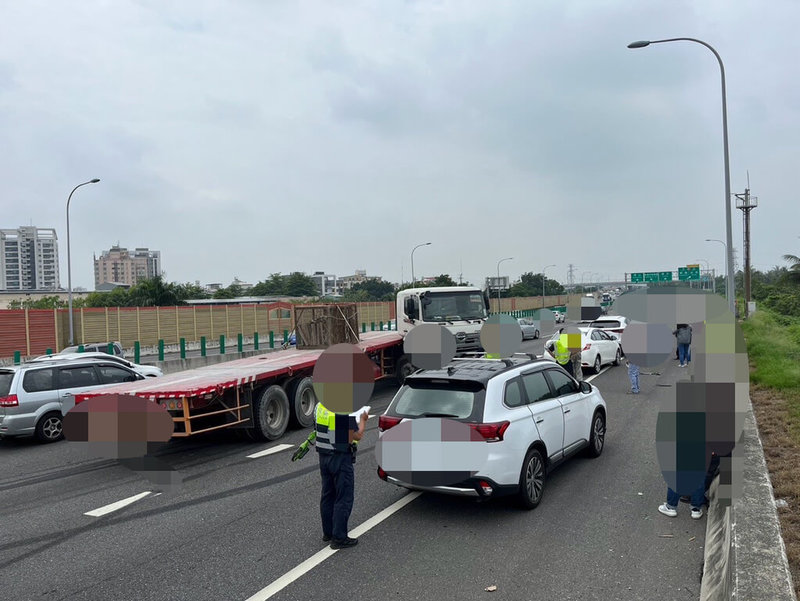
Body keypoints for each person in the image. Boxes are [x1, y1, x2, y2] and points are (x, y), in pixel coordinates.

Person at [315, 401, 368, 549]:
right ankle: (339, 538)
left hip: (323, 455)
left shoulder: (320, 406)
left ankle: (328, 533)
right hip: (339, 457)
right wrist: (363, 420)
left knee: (328, 495)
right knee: (343, 497)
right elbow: (355, 436)